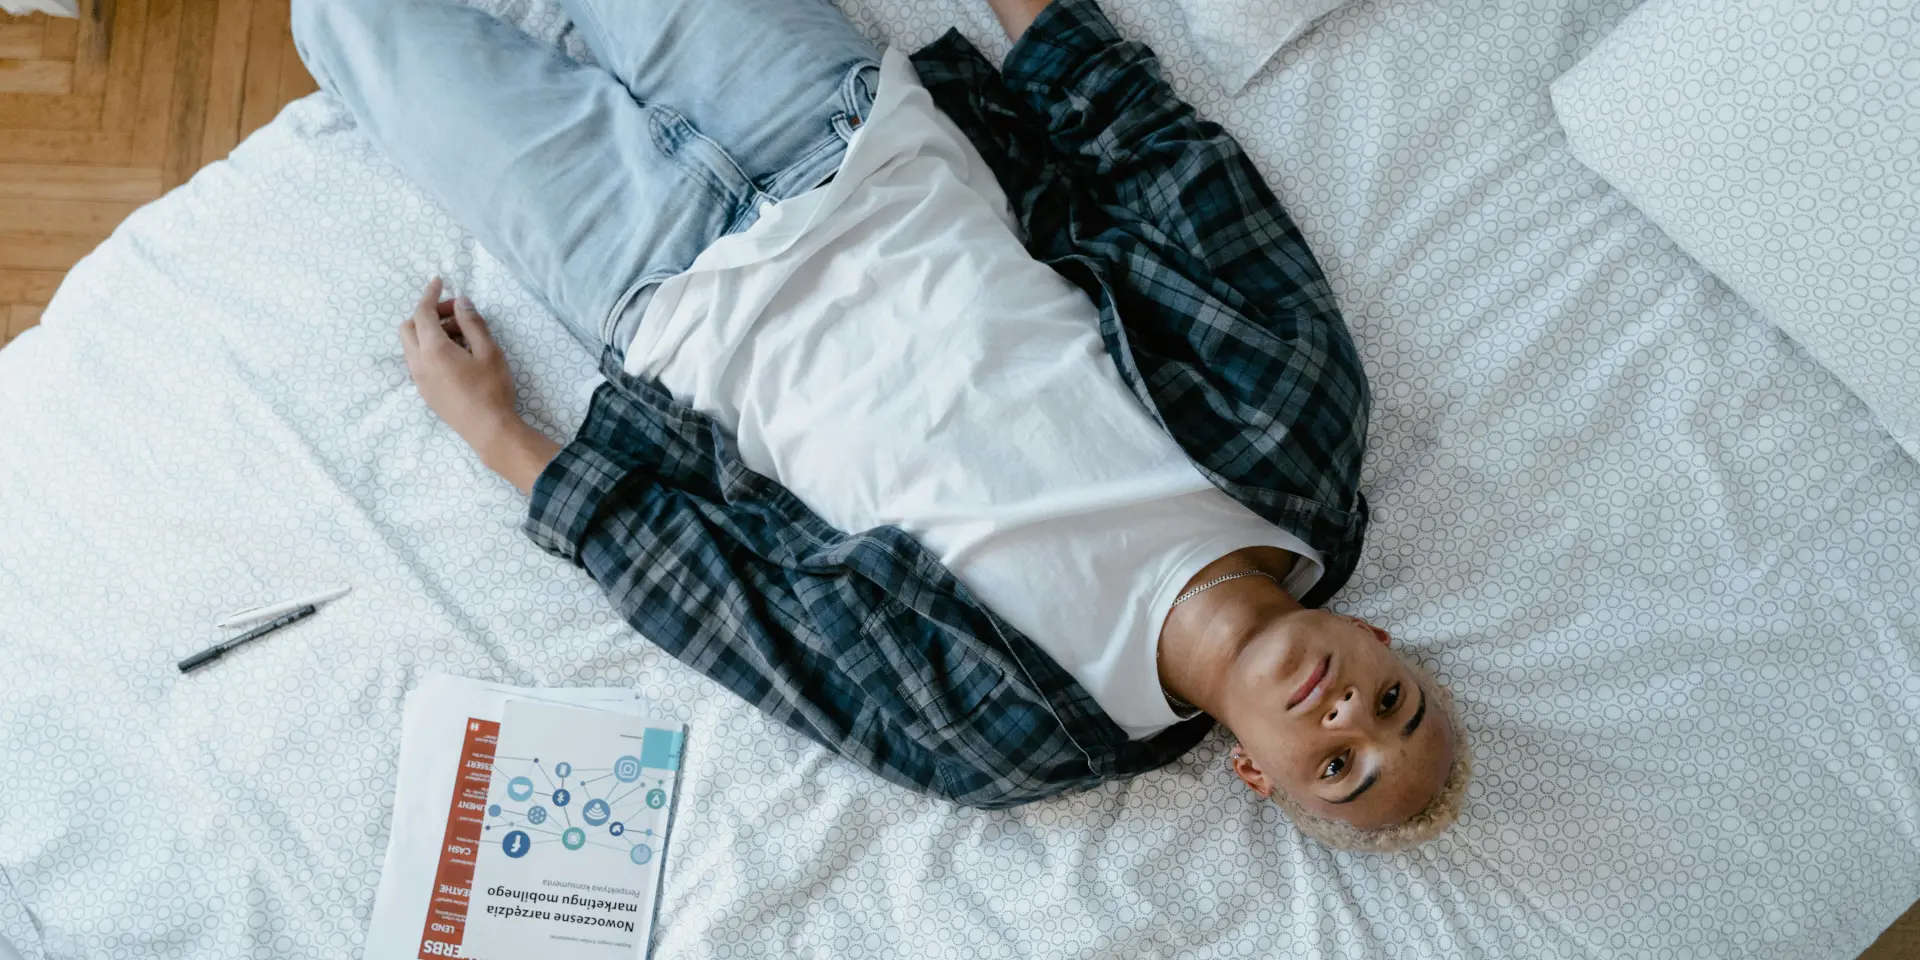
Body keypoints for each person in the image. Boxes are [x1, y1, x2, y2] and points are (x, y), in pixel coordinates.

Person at [292, 0, 1471, 851]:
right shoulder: (1297, 430)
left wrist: (499, 437)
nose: (1346, 717)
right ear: (1376, 640)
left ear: (1258, 777)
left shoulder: (1018, 739)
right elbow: (1168, 170)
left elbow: (748, 622)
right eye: (1391, 705)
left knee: (347, 23)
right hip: (840, 130)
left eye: (1337, 768)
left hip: (657, 288)